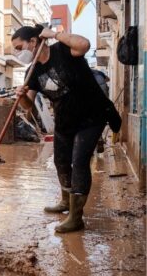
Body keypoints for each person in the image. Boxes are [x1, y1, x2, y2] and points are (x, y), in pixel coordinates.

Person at [13, 24, 121, 233]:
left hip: (91, 116)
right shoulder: (32, 71)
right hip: (65, 121)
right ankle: (65, 201)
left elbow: (84, 44)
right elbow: (29, 106)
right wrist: (21, 97)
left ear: (33, 42)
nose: (18, 53)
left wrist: (54, 34)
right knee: (61, 161)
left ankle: (75, 217)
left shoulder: (62, 50)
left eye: (19, 47)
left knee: (79, 161)